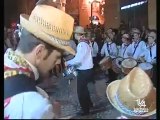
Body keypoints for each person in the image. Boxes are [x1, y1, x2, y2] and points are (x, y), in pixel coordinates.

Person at [4, 3, 75, 119]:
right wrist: (55, 115)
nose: (58, 62)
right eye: (57, 56)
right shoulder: (36, 107)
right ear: (39, 52)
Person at [66, 26, 94, 116]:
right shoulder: (87, 42)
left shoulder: (81, 44)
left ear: (77, 34)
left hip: (84, 71)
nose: (74, 35)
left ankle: (85, 110)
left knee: (81, 91)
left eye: (74, 33)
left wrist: (67, 63)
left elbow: (78, 60)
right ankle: (89, 104)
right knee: (85, 88)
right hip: (88, 69)